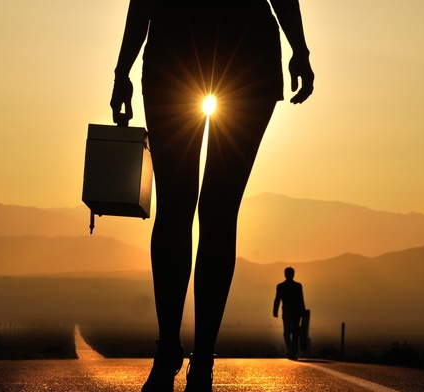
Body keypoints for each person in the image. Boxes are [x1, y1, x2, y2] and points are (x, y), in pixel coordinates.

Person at [109, 0, 314, 389]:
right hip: (239, 54)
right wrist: (299, 50)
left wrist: (122, 70)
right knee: (210, 211)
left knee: (181, 207)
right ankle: (197, 359)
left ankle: (178, 352)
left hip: (182, 50)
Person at [273, 266, 307, 359]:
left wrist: (275, 311)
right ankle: (293, 351)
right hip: (295, 313)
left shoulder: (281, 286)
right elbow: (301, 299)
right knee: (293, 332)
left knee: (288, 332)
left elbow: (277, 299)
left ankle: (291, 350)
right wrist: (303, 311)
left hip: (288, 313)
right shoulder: (297, 286)